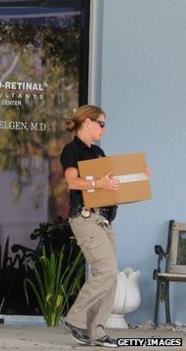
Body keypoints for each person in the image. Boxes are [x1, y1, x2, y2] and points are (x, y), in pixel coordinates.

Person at [60, 105, 150, 347]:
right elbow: (71, 181)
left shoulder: (98, 152)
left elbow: (114, 181)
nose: (104, 129)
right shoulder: (71, 150)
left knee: (110, 276)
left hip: (104, 220)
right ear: (87, 122)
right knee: (107, 271)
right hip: (85, 217)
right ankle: (75, 318)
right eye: (101, 123)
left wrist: (139, 177)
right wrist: (98, 183)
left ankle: (96, 331)